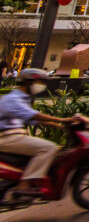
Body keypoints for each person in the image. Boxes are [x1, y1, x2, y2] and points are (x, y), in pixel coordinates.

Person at [0, 68, 79, 199]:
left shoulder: (23, 98)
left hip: (13, 136)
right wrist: (62, 119)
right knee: (49, 148)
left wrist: (60, 126)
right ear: (29, 82)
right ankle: (24, 185)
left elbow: (33, 120)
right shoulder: (13, 99)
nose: (41, 85)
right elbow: (33, 115)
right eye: (39, 81)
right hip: (7, 137)